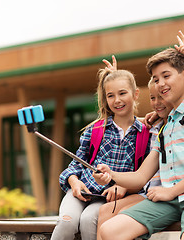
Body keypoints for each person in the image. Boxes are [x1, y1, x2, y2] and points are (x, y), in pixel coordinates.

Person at [94, 48, 184, 240]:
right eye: (156, 80)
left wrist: (172, 191)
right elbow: (141, 177)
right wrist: (111, 175)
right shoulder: (165, 127)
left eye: (166, 76)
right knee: (110, 230)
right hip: (170, 200)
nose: (160, 84)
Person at [50, 66, 149, 240]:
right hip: (82, 191)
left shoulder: (146, 134)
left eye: (123, 93)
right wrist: (74, 183)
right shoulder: (95, 129)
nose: (117, 100)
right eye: (110, 95)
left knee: (90, 221)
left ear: (136, 94)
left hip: (107, 199)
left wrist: (124, 186)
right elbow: (76, 164)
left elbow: (145, 175)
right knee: (67, 222)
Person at [96, 62, 172, 240]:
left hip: (160, 192)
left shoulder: (175, 123)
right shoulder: (154, 126)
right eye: (153, 98)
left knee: (120, 214)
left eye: (161, 97)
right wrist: (114, 79)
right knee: (105, 210)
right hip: (148, 190)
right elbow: (124, 119)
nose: (157, 103)